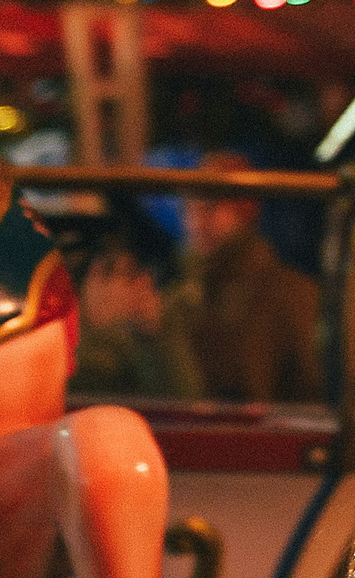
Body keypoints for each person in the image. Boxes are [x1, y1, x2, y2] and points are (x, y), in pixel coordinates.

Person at [74, 156, 323, 404]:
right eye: (188, 210)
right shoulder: (181, 293)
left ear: (245, 211)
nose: (195, 223)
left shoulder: (286, 292)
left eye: (209, 208)